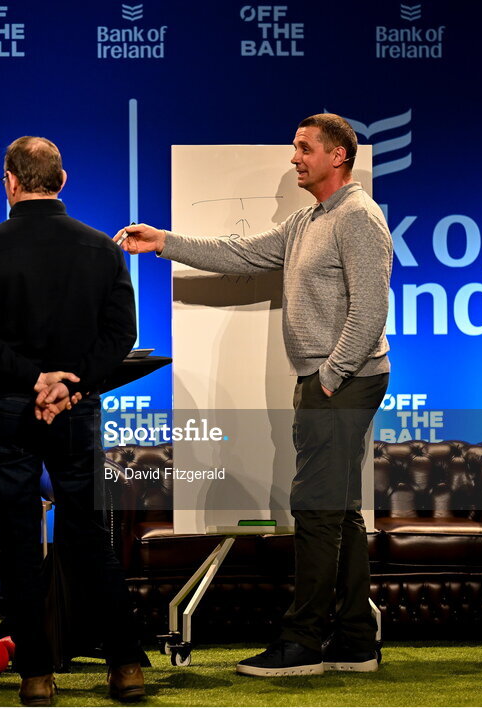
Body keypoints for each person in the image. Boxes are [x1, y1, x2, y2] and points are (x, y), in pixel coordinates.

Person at [119, 113, 392, 677]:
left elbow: (370, 311)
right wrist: (165, 242)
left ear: (338, 156)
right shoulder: (307, 220)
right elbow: (241, 253)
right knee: (338, 510)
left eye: (305, 148)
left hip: (344, 382)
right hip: (330, 381)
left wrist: (330, 376)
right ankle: (355, 641)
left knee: (315, 510)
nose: (294, 158)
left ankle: (303, 643)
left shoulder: (359, 217)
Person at [0, 136, 143, 706]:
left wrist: (34, 379)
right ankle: (126, 666)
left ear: (10, 182)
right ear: (61, 181)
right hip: (75, 408)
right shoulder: (101, 248)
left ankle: (36, 676)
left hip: (9, 410)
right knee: (88, 535)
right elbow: (121, 335)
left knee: (18, 544)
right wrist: (68, 384)